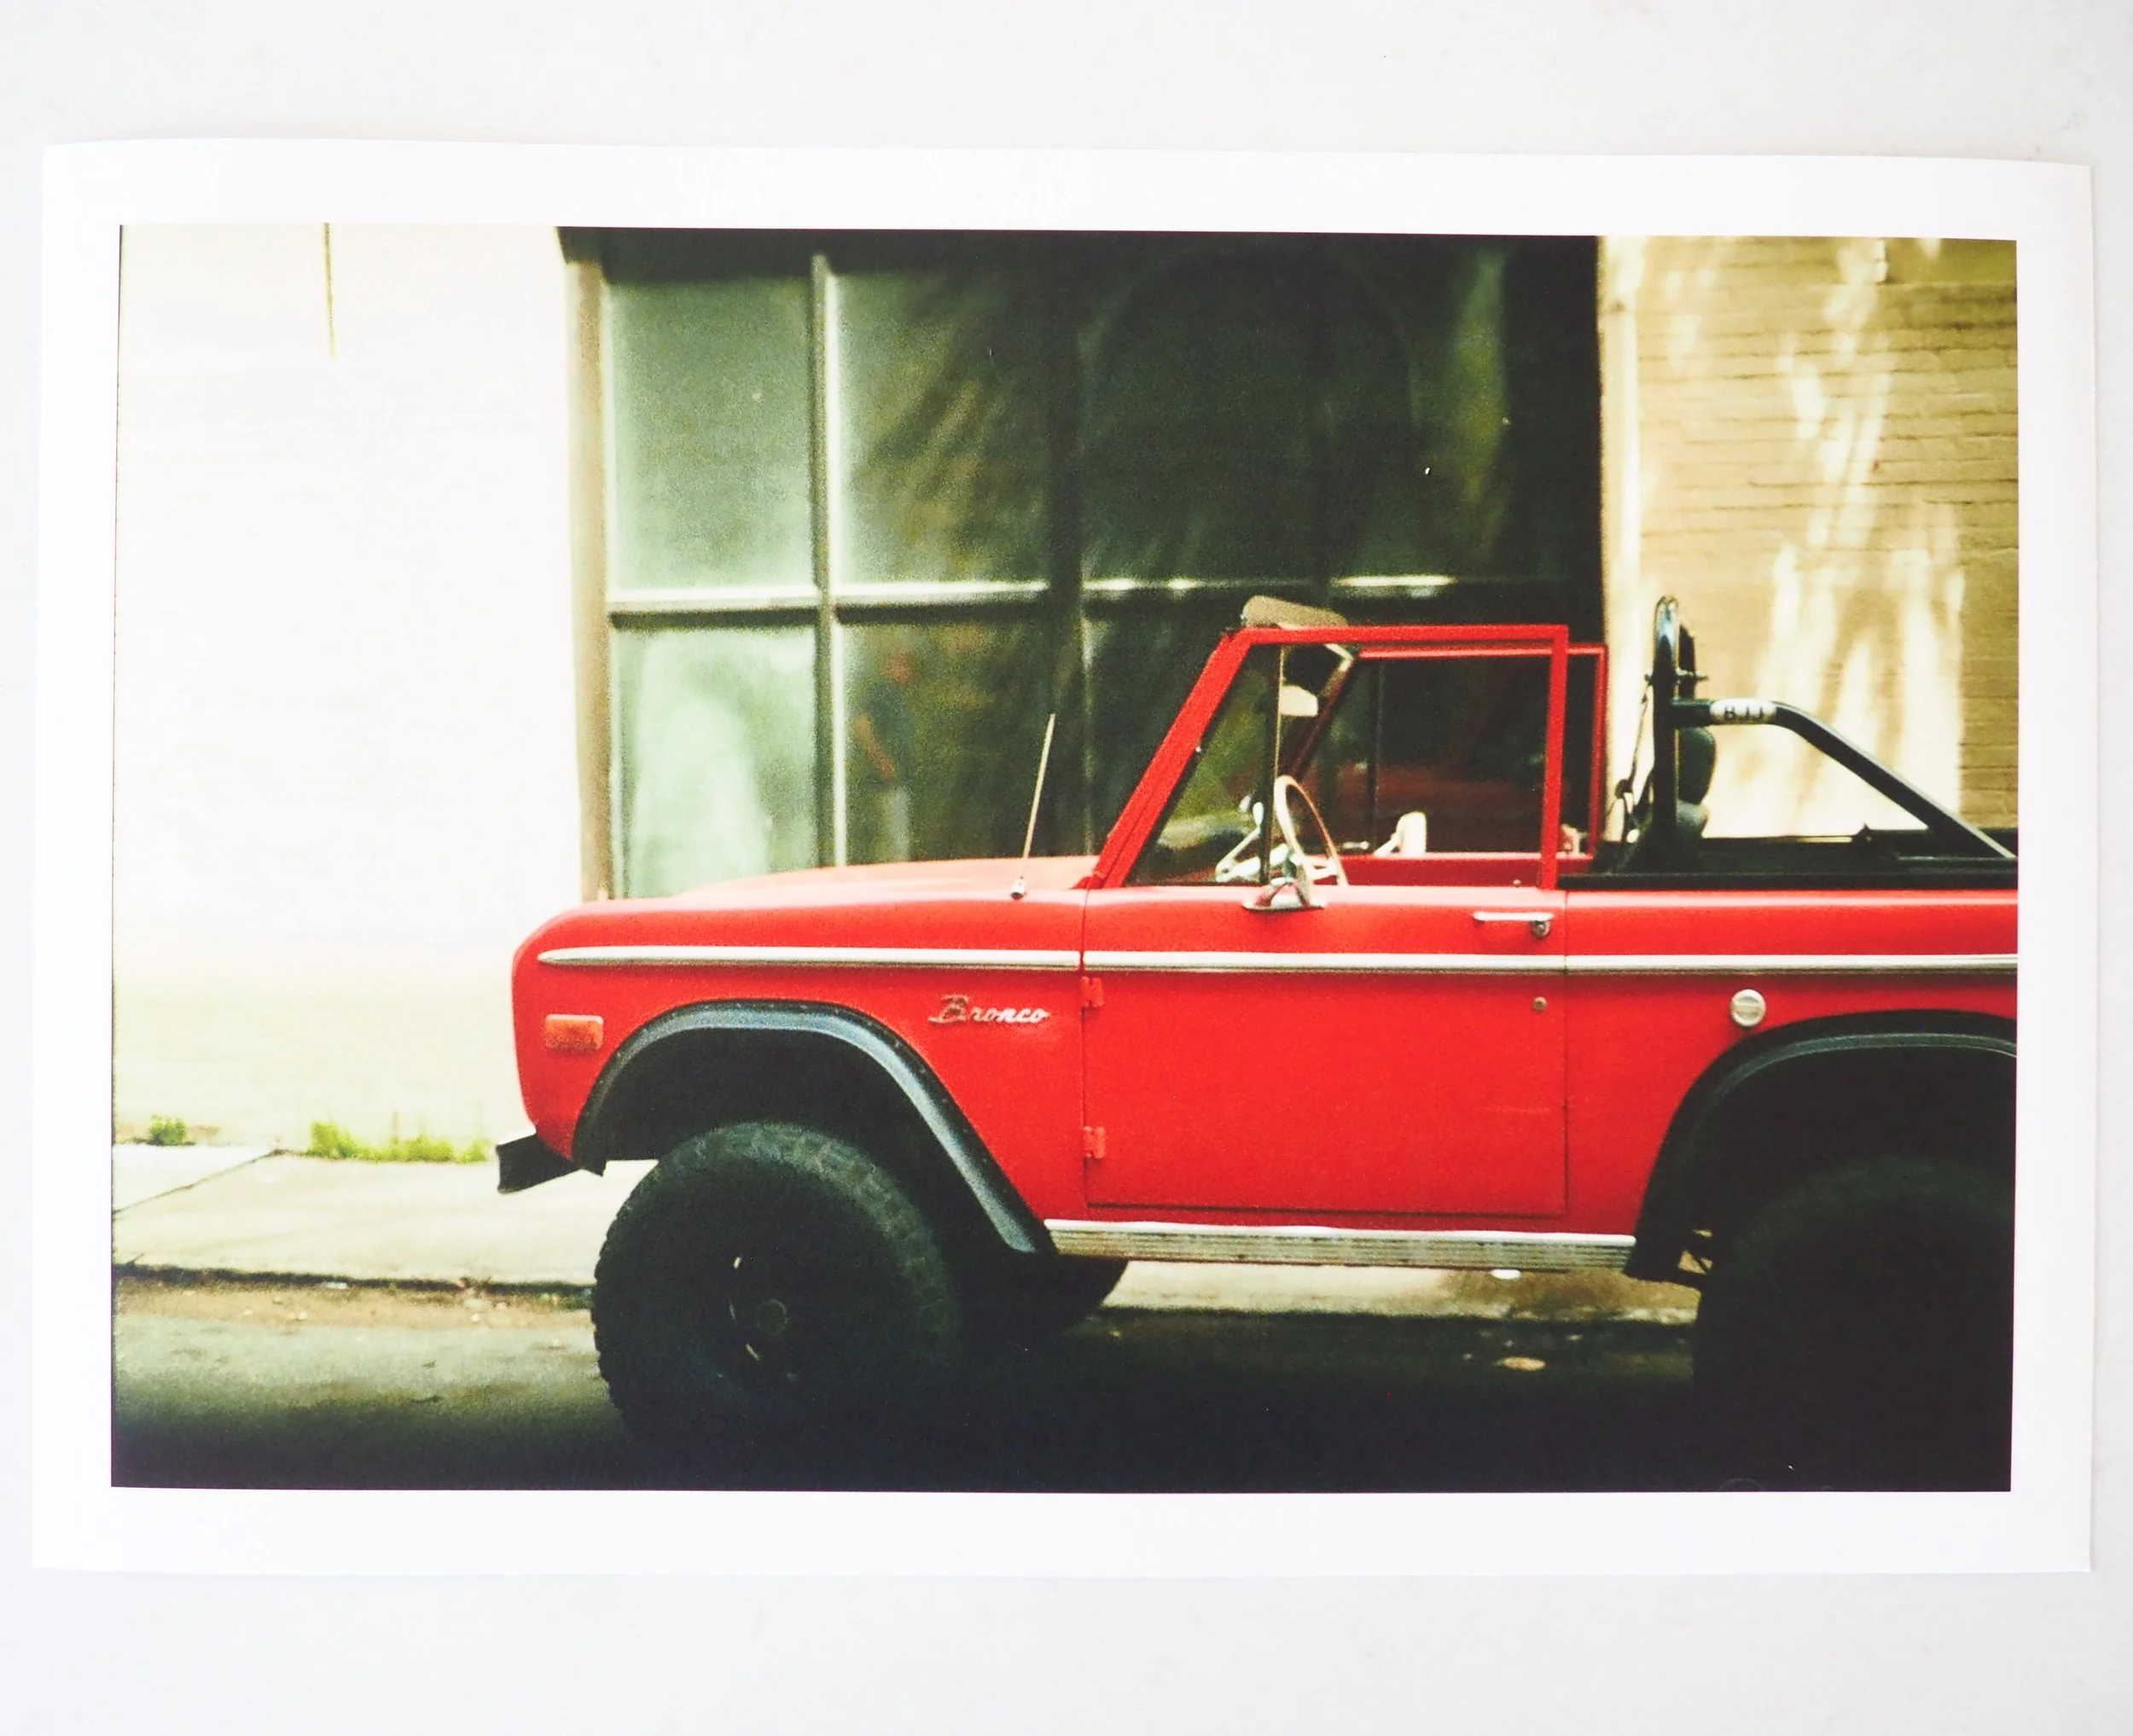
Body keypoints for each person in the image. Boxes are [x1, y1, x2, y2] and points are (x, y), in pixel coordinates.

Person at [852, 644, 917, 862]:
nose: (908, 671)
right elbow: (861, 725)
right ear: (890, 665)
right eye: (902, 665)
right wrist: (881, 760)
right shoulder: (881, 693)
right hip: (886, 781)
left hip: (898, 779)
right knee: (896, 841)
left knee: (887, 841)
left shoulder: (899, 695)